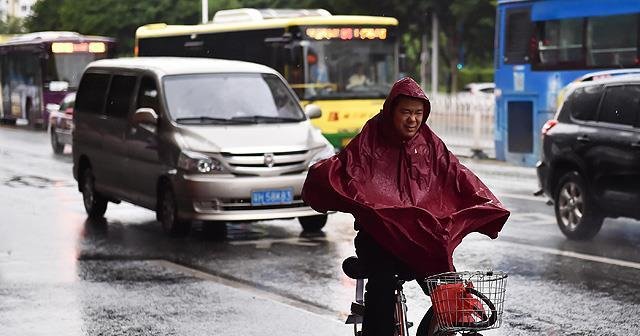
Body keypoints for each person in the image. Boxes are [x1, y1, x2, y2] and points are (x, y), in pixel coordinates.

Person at [302, 77, 510, 336]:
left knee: (446, 286)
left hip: (419, 239)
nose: (413, 120)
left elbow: (456, 174)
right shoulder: (370, 139)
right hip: (378, 239)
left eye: (418, 113)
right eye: (406, 112)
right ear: (391, 111)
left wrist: (485, 204)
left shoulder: (430, 144)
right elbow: (347, 169)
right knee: (382, 284)